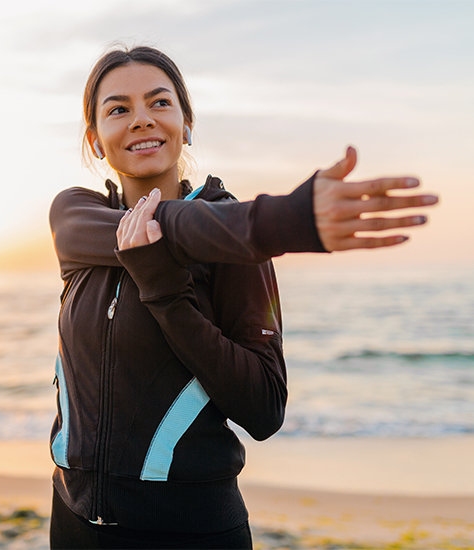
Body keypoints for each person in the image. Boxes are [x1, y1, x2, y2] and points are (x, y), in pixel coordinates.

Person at [48, 46, 438, 550]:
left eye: (160, 103)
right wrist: (281, 221)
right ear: (95, 139)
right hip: (74, 521)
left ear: (186, 124)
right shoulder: (76, 218)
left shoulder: (233, 245)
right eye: (118, 109)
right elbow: (160, 227)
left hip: (192, 530)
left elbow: (264, 410)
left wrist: (167, 295)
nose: (142, 120)